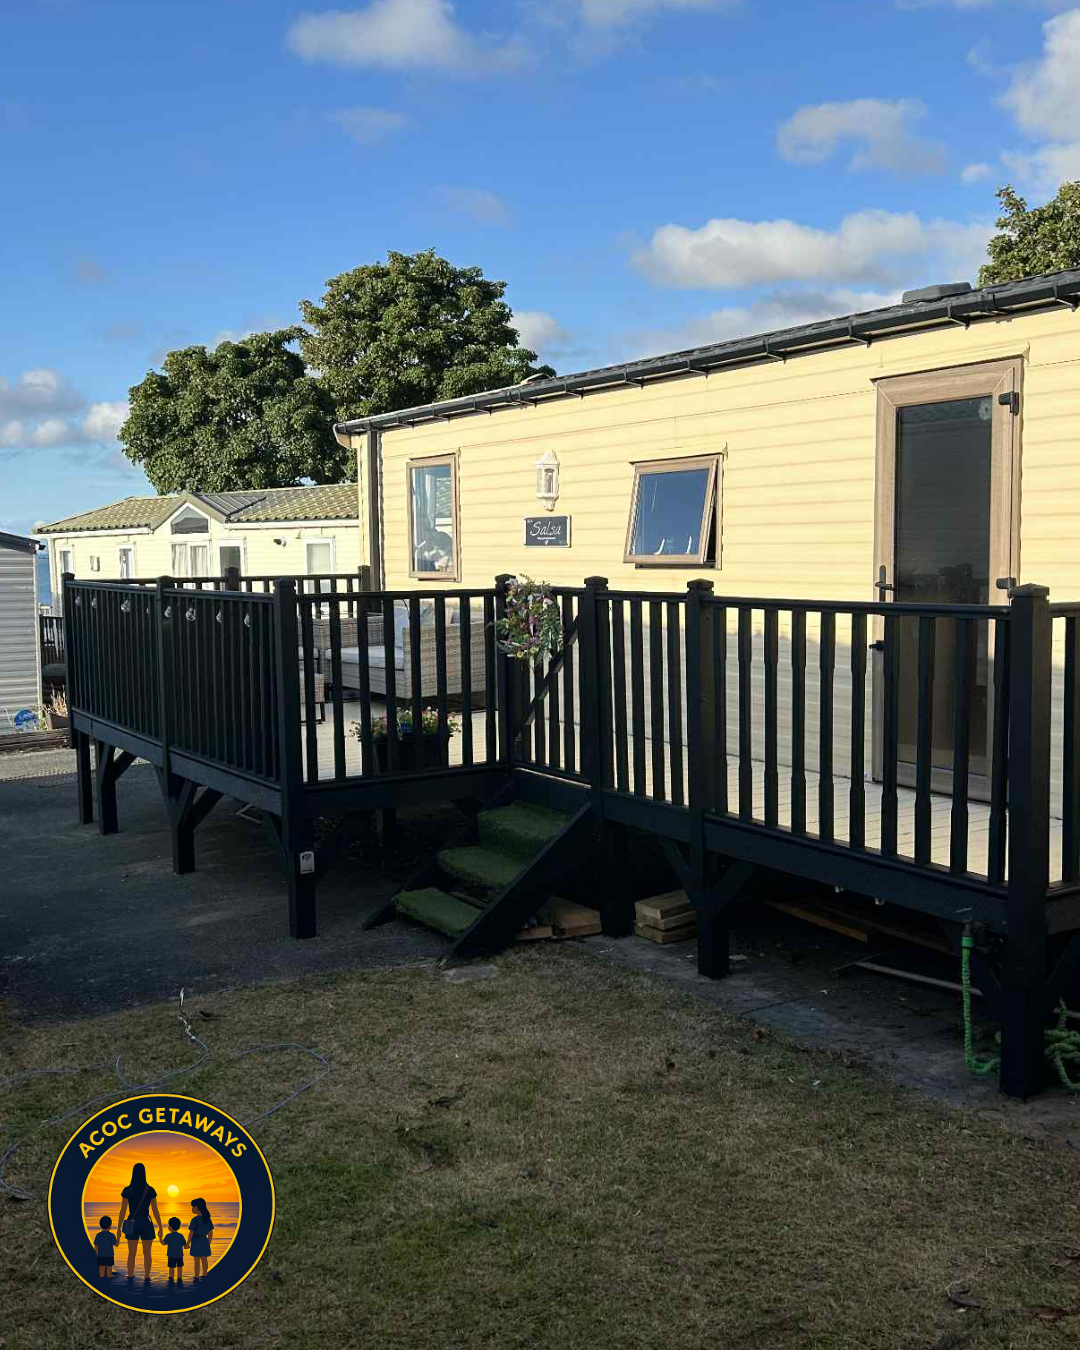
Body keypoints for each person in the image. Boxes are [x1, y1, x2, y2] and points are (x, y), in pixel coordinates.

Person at [116, 1161, 163, 1280]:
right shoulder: (150, 1190)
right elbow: (155, 1210)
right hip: (146, 1222)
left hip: (132, 1222)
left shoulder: (128, 1190)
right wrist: (160, 1226)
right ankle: (147, 1277)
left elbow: (123, 1210)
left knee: (131, 1253)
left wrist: (119, 1228)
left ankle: (130, 1276)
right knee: (147, 1253)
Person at [188, 1197, 214, 1279]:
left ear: (197, 1208)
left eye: (193, 1207)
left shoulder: (195, 1220)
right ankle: (205, 1274)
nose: (192, 1209)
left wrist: (188, 1243)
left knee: (197, 1260)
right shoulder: (207, 1219)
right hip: (204, 1240)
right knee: (204, 1259)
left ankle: (196, 1276)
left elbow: (191, 1232)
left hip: (196, 1240)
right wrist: (208, 1242)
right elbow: (210, 1232)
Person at [161, 1216, 187, 1284]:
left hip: (171, 1255)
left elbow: (163, 1243)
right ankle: (180, 1278)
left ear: (170, 1227)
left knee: (171, 1268)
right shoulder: (181, 1236)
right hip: (179, 1255)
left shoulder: (168, 1236)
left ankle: (171, 1279)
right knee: (180, 1267)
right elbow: (185, 1244)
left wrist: (160, 1237)